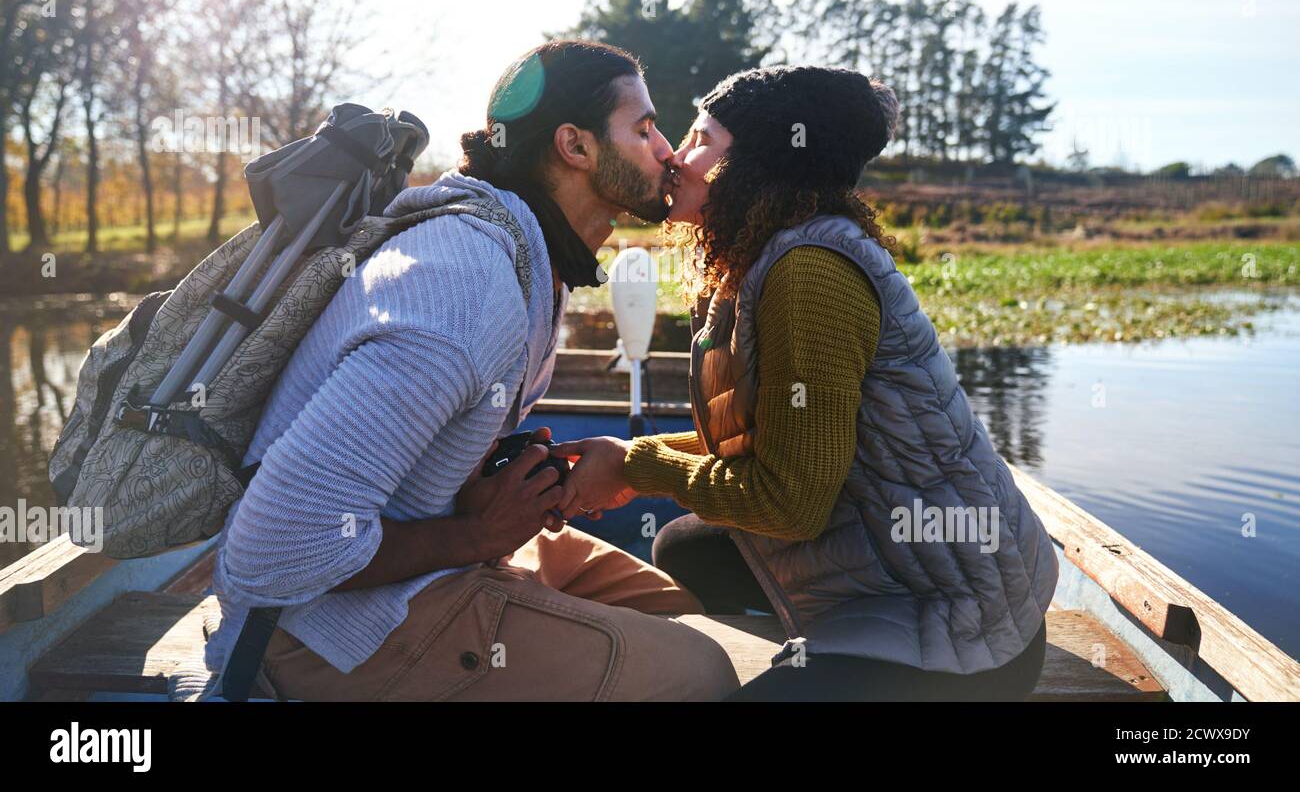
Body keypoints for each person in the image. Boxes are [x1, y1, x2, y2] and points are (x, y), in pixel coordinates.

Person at [206, 40, 740, 701]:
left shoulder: (531, 253)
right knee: (703, 674)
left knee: (678, 608)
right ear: (575, 146)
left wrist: (480, 493)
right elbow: (270, 551)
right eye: (643, 127)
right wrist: (473, 533)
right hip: (326, 631)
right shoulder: (461, 290)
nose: (666, 150)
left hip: (444, 559)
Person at [551, 65, 1059, 701]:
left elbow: (790, 503)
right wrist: (630, 461)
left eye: (703, 140)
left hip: (966, 626)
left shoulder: (807, 273)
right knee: (685, 548)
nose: (677, 157)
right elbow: (766, 444)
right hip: (909, 560)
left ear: (760, 164)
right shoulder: (758, 257)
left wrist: (637, 470)